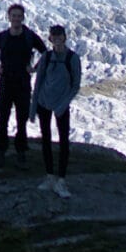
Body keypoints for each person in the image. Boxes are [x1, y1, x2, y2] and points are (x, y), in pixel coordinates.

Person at [0, 3, 43, 161]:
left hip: (23, 82)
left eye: (19, 16)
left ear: (23, 18)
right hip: (6, 81)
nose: (16, 18)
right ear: (9, 17)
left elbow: (44, 51)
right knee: (2, 117)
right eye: (13, 16)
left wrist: (35, 68)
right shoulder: (2, 37)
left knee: (21, 118)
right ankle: (0, 149)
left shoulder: (29, 36)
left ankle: (21, 150)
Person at [34, 21, 83, 176]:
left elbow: (76, 85)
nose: (56, 39)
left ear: (64, 37)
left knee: (63, 141)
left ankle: (61, 177)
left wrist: (64, 104)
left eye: (59, 36)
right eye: (54, 36)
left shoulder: (72, 58)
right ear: (50, 38)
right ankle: (50, 175)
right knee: (46, 139)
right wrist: (33, 106)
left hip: (61, 105)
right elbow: (39, 81)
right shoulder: (46, 57)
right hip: (44, 102)